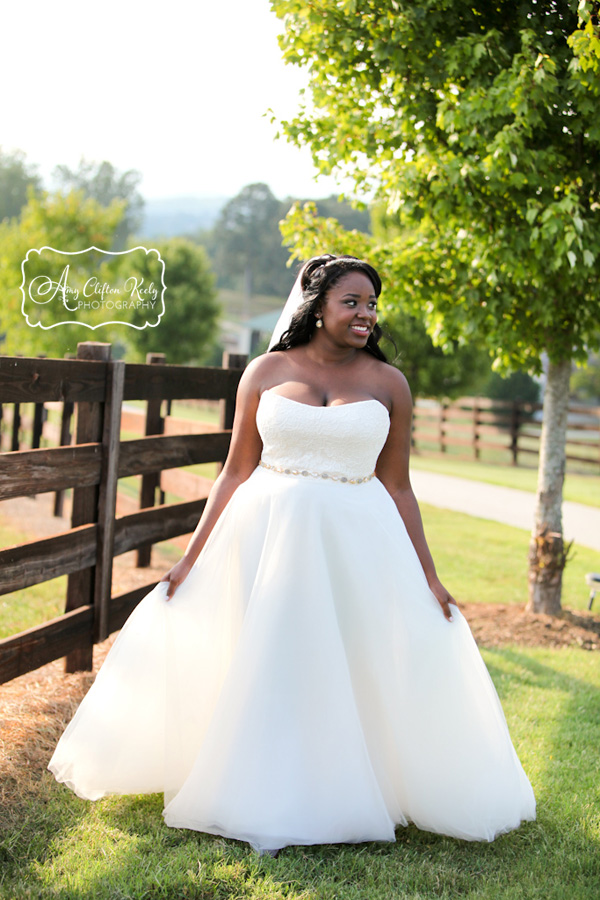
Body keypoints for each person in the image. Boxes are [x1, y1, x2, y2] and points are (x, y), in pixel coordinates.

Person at [49, 254, 536, 855]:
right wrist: (190, 558)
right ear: (317, 306)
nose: (366, 314)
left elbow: (400, 486)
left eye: (372, 304)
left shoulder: (389, 384)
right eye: (352, 302)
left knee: (350, 662)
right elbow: (233, 472)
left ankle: (348, 784)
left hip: (357, 541)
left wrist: (429, 576)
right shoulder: (265, 370)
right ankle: (259, 785)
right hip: (267, 533)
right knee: (270, 656)